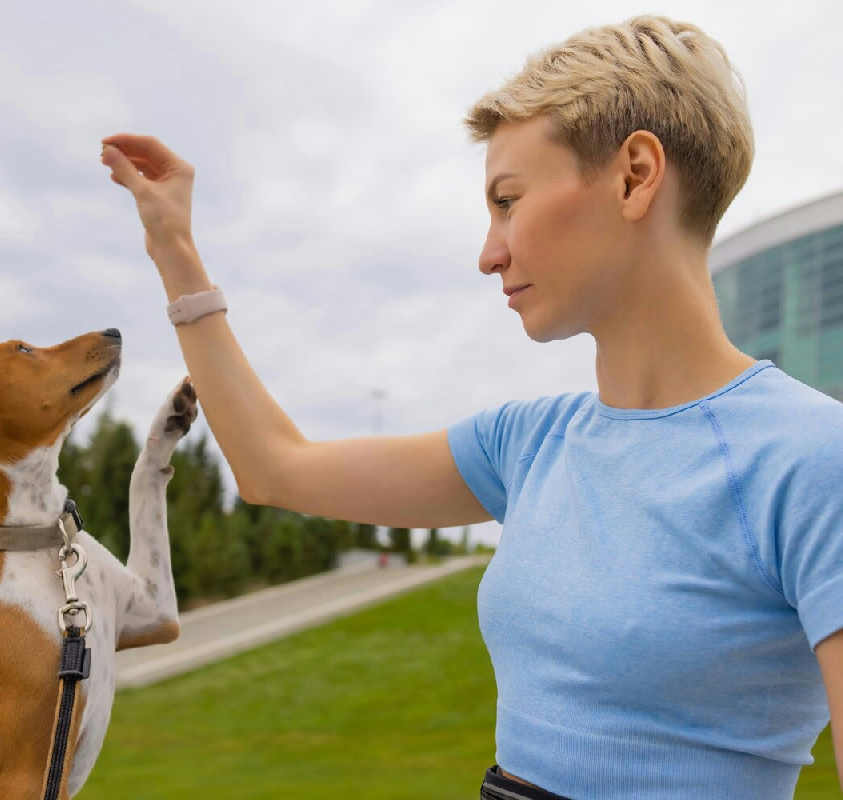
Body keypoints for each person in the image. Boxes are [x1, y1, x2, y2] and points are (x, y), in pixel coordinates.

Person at [99, 14, 843, 800]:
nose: (488, 252)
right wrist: (174, 248)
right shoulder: (527, 444)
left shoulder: (808, 457)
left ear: (634, 176)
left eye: (508, 200)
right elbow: (274, 468)